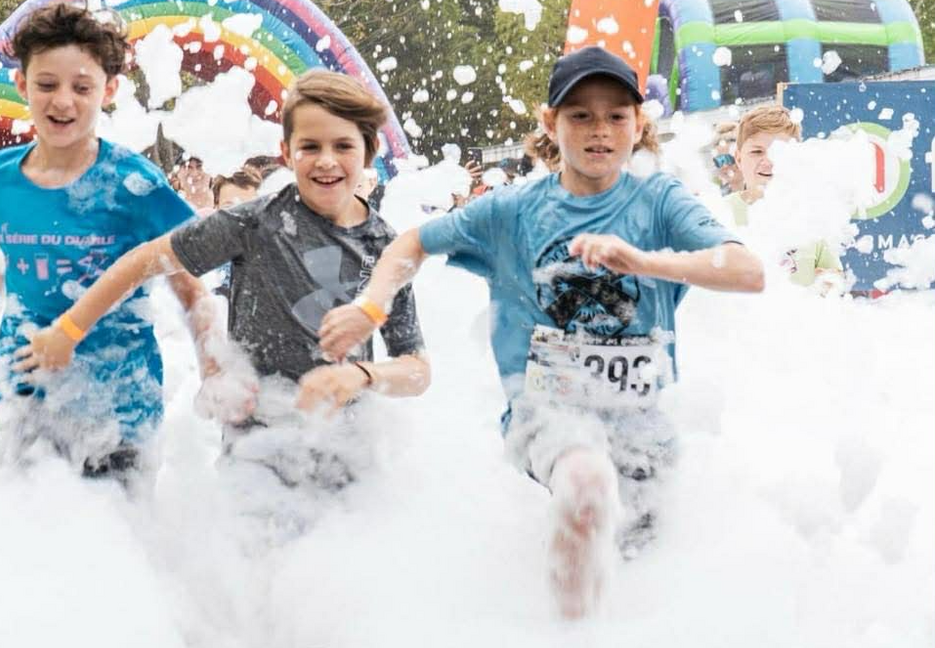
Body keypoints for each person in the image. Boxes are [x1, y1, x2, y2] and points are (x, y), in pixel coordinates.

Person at [317, 46, 765, 619]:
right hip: (546, 414)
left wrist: (645, 262)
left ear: (638, 124)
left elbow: (748, 272)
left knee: (641, 579)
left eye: (616, 116)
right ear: (550, 123)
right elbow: (412, 242)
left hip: (643, 427)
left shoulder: (660, 203)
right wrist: (371, 307)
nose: (599, 130)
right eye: (580, 115)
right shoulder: (511, 210)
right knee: (585, 481)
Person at [18, 69, 429, 500]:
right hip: (258, 459)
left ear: (369, 150)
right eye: (310, 146)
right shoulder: (256, 222)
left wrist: (362, 375)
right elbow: (142, 261)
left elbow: (417, 369)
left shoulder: (385, 246)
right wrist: (69, 330)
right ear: (286, 152)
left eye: (343, 146)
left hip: (347, 461)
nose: (326, 160)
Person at [0, 4, 205, 482]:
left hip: (116, 403)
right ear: (22, 84)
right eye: (47, 84)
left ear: (109, 90)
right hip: (19, 390)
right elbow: (13, 261)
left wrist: (216, 366)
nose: (63, 101)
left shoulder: (134, 183)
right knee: (7, 518)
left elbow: (188, 280)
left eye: (82, 88)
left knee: (110, 526)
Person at [727, 105, 843, 289]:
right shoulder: (720, 213)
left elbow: (834, 276)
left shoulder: (812, 216)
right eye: (757, 152)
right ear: (739, 159)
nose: (768, 161)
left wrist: (830, 282)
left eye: (779, 151)